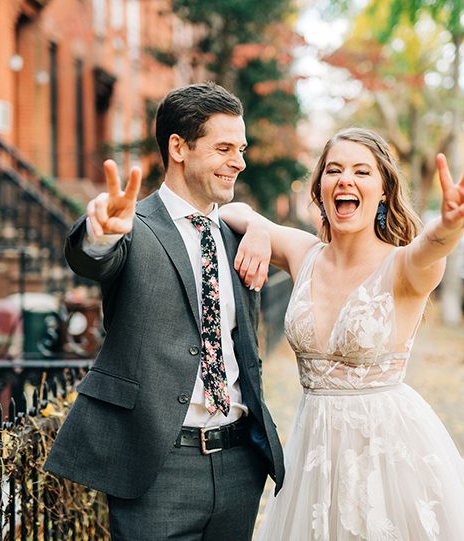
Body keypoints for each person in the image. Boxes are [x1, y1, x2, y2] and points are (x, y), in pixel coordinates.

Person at [221, 127, 464, 540]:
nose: (345, 180)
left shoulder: (404, 267)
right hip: (314, 457)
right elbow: (232, 211)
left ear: (384, 191)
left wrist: (449, 224)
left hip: (388, 460)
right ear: (319, 188)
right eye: (333, 170)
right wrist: (261, 228)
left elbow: (432, 246)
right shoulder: (304, 255)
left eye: (361, 172)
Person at [44, 82, 284, 541]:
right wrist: (101, 232)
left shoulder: (238, 233)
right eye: (224, 148)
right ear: (179, 147)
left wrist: (258, 224)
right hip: (157, 469)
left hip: (239, 465)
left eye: (242, 148)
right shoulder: (134, 225)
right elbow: (92, 257)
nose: (240, 160)